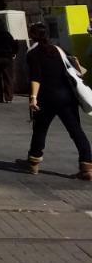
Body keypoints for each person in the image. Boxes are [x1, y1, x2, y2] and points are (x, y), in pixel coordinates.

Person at [22, 22, 92, 178]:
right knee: (76, 130)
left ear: (32, 35)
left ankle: (34, 162)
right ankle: (87, 165)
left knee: (40, 130)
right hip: (66, 96)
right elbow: (74, 63)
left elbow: (36, 78)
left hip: (46, 98)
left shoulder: (33, 53)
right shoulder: (58, 50)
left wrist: (33, 98)